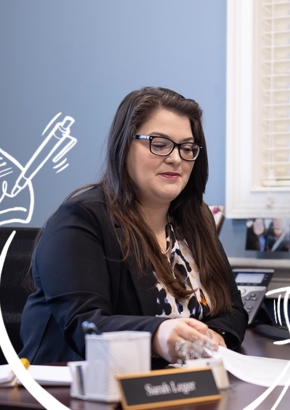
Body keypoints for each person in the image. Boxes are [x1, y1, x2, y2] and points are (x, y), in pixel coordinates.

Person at [18, 87, 247, 366]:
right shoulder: (80, 220)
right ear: (124, 145)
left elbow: (232, 308)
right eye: (160, 144)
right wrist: (156, 335)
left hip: (178, 384)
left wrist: (213, 335)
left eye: (187, 148)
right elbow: (85, 325)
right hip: (77, 391)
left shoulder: (197, 218)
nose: (176, 158)